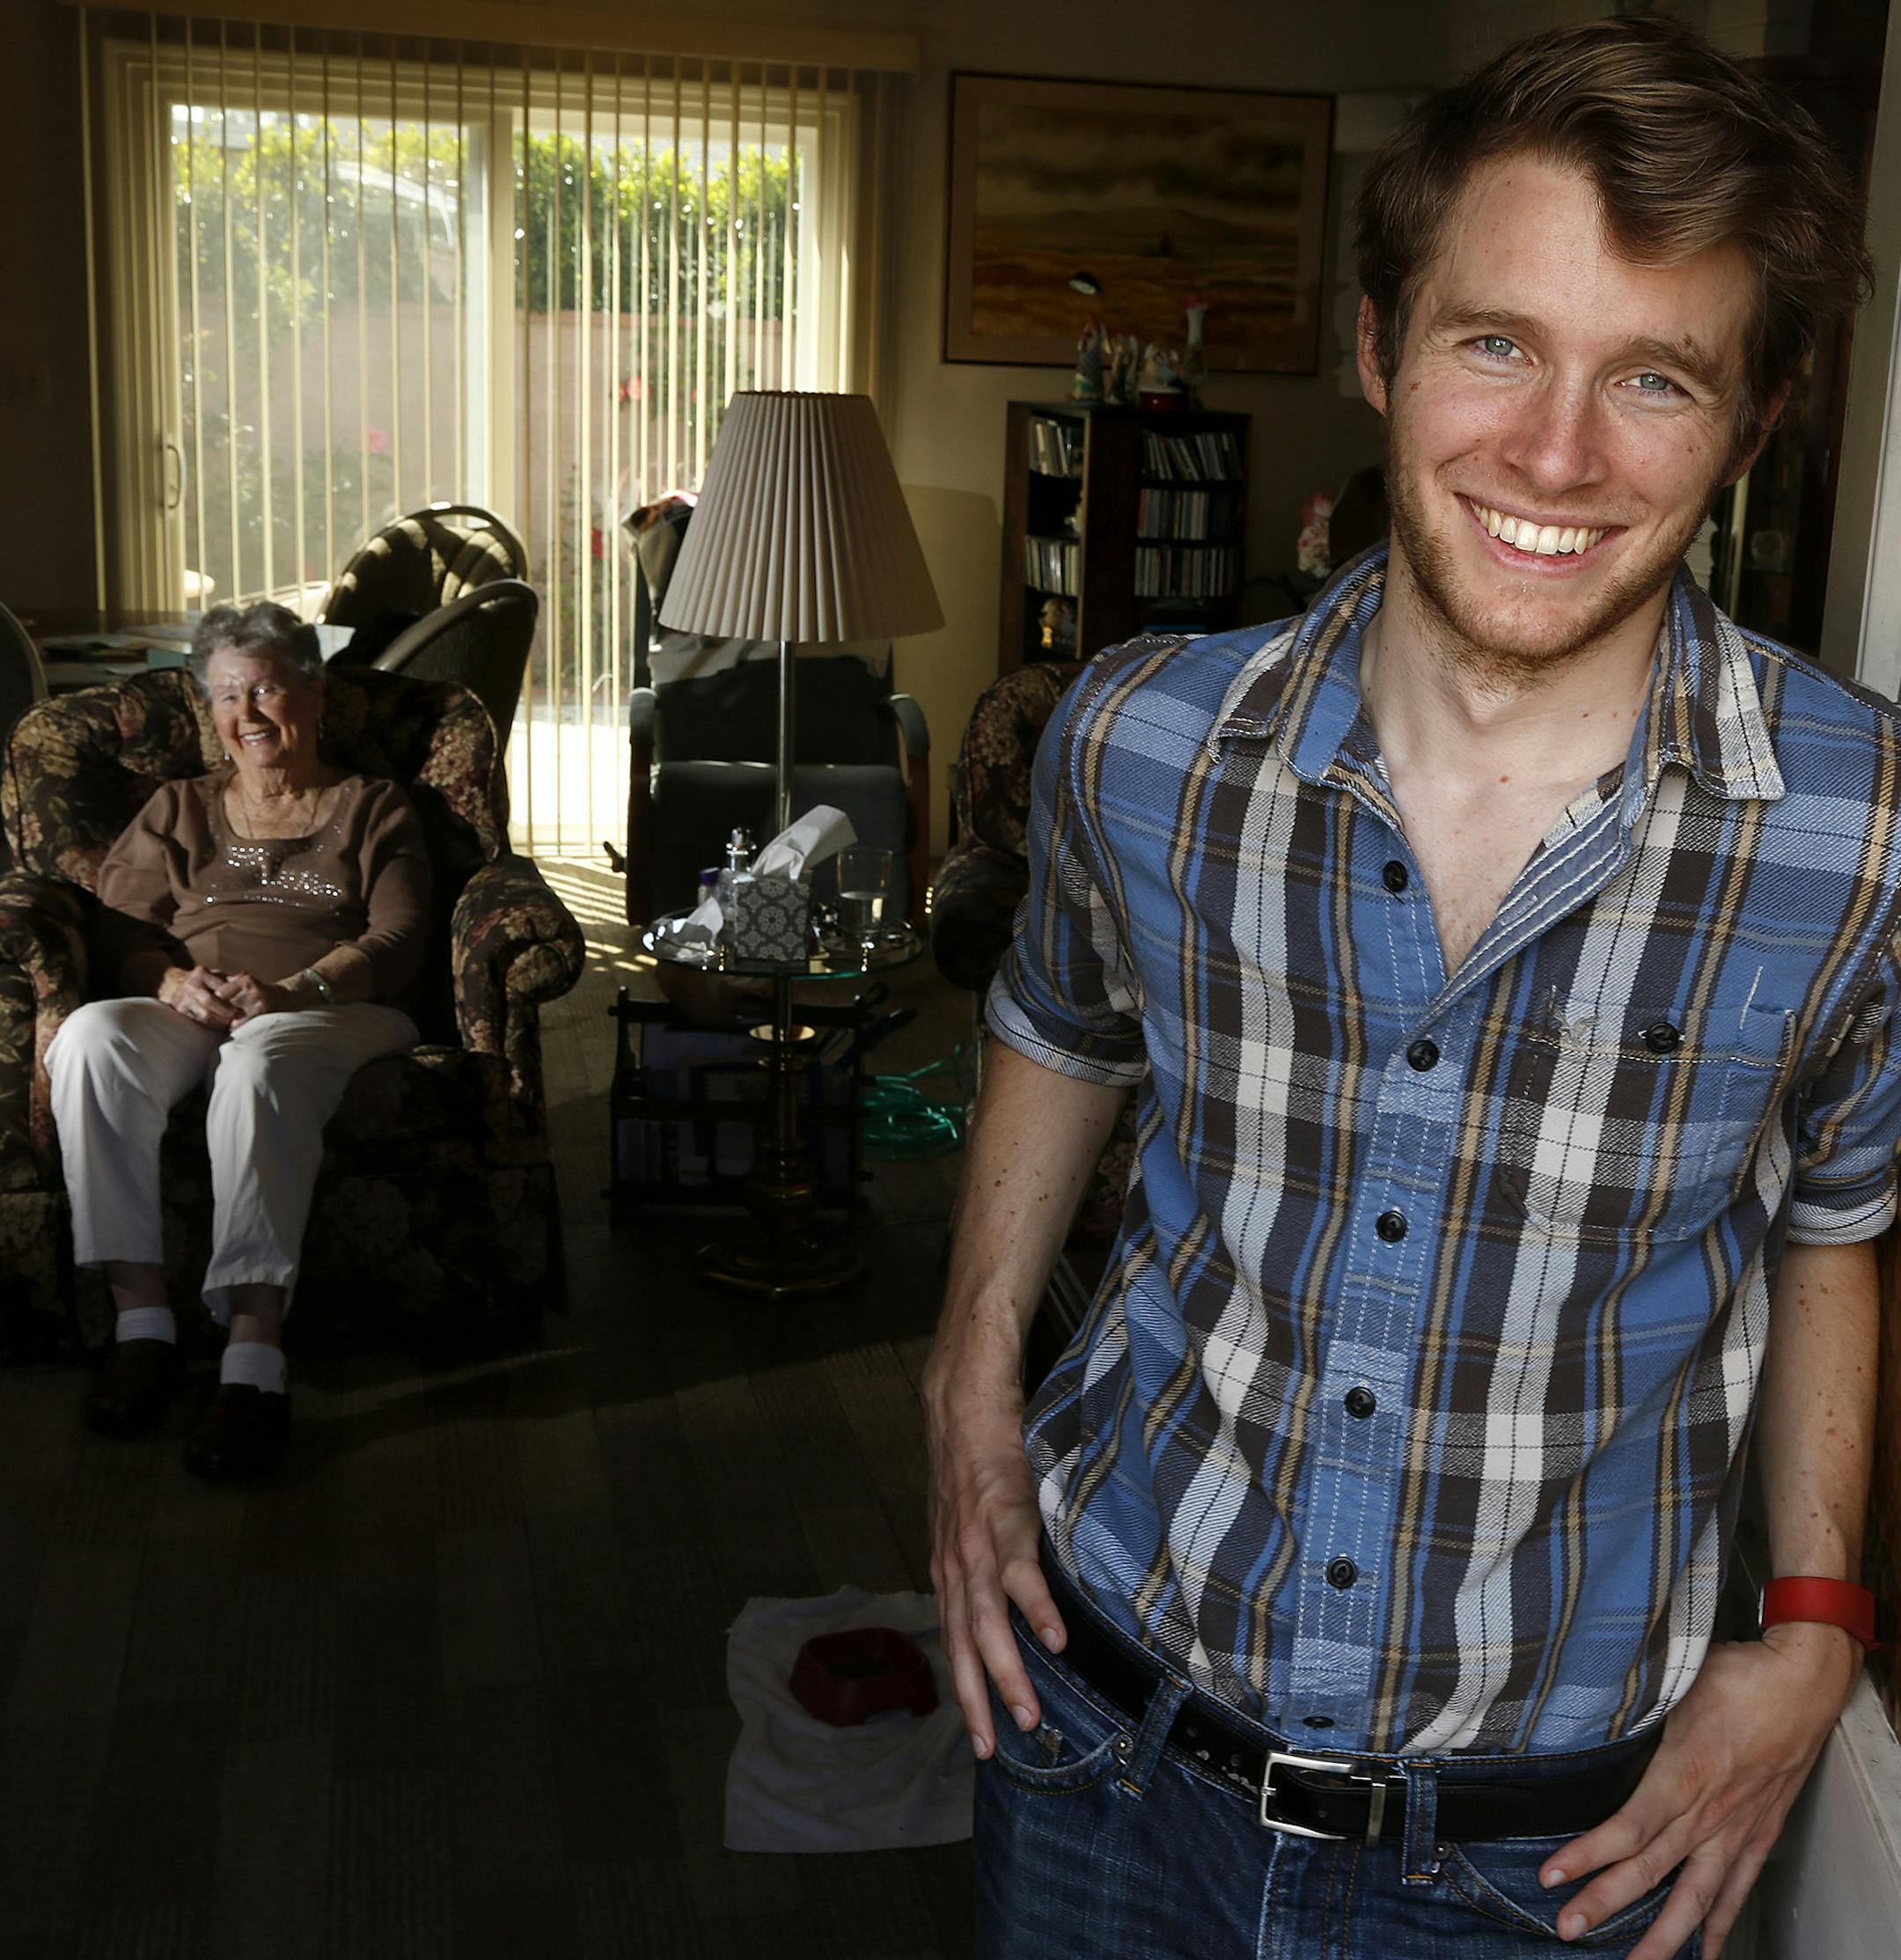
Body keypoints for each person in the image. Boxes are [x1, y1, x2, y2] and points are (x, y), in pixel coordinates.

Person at [925, 19, 1887, 1960]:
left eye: (1656, 379)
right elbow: (1061, 1018)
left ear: (1755, 421)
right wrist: (965, 1369)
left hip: (1543, 1856)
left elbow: (1837, 1229)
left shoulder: (1865, 839)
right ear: (1381, 348)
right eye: (1496, 343)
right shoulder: (1133, 741)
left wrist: (1814, 1623)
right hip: (1099, 1736)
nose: (1554, 454)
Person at [52, 600, 431, 1479]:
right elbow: (114, 929)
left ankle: (253, 1362)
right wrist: (173, 982)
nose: (247, 713)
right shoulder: (177, 807)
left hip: (331, 1008)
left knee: (261, 1062)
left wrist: (294, 990)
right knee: (88, 1038)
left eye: (265, 687)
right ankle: (141, 1326)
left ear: (313, 689)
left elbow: (401, 937)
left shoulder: (373, 806)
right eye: (227, 695)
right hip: (194, 1005)